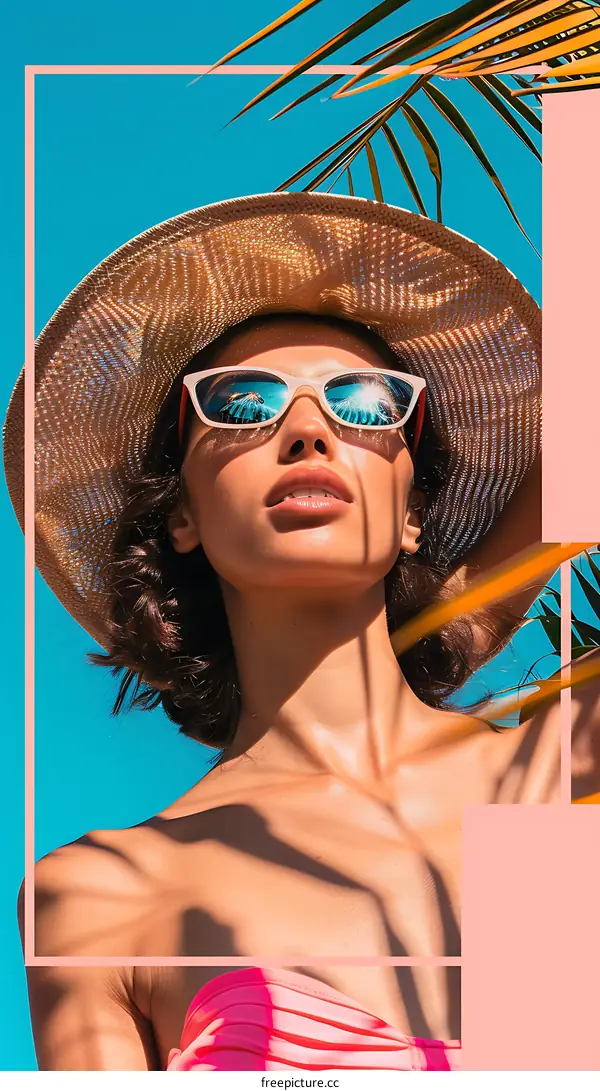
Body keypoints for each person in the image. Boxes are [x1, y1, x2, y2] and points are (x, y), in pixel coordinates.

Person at [4, 191, 555, 1069]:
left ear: (413, 509)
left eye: (368, 402)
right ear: (180, 511)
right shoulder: (103, 895)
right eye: (241, 401)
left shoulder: (564, 771)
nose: (307, 429)